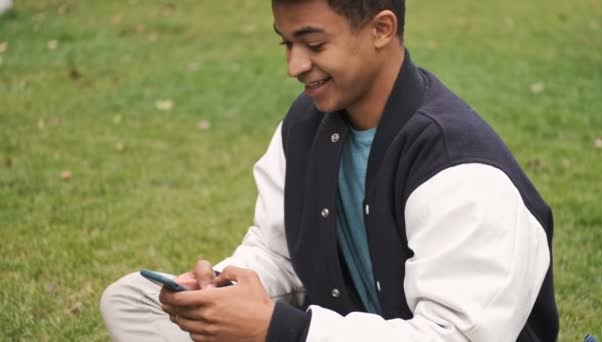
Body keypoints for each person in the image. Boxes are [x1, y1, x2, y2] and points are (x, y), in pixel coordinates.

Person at [100, 0, 559, 341]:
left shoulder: (455, 164)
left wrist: (280, 330)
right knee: (131, 299)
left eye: (314, 44)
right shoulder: (304, 124)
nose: (294, 66)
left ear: (381, 29)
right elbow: (277, 251)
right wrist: (219, 288)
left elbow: (454, 336)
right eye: (287, 43)